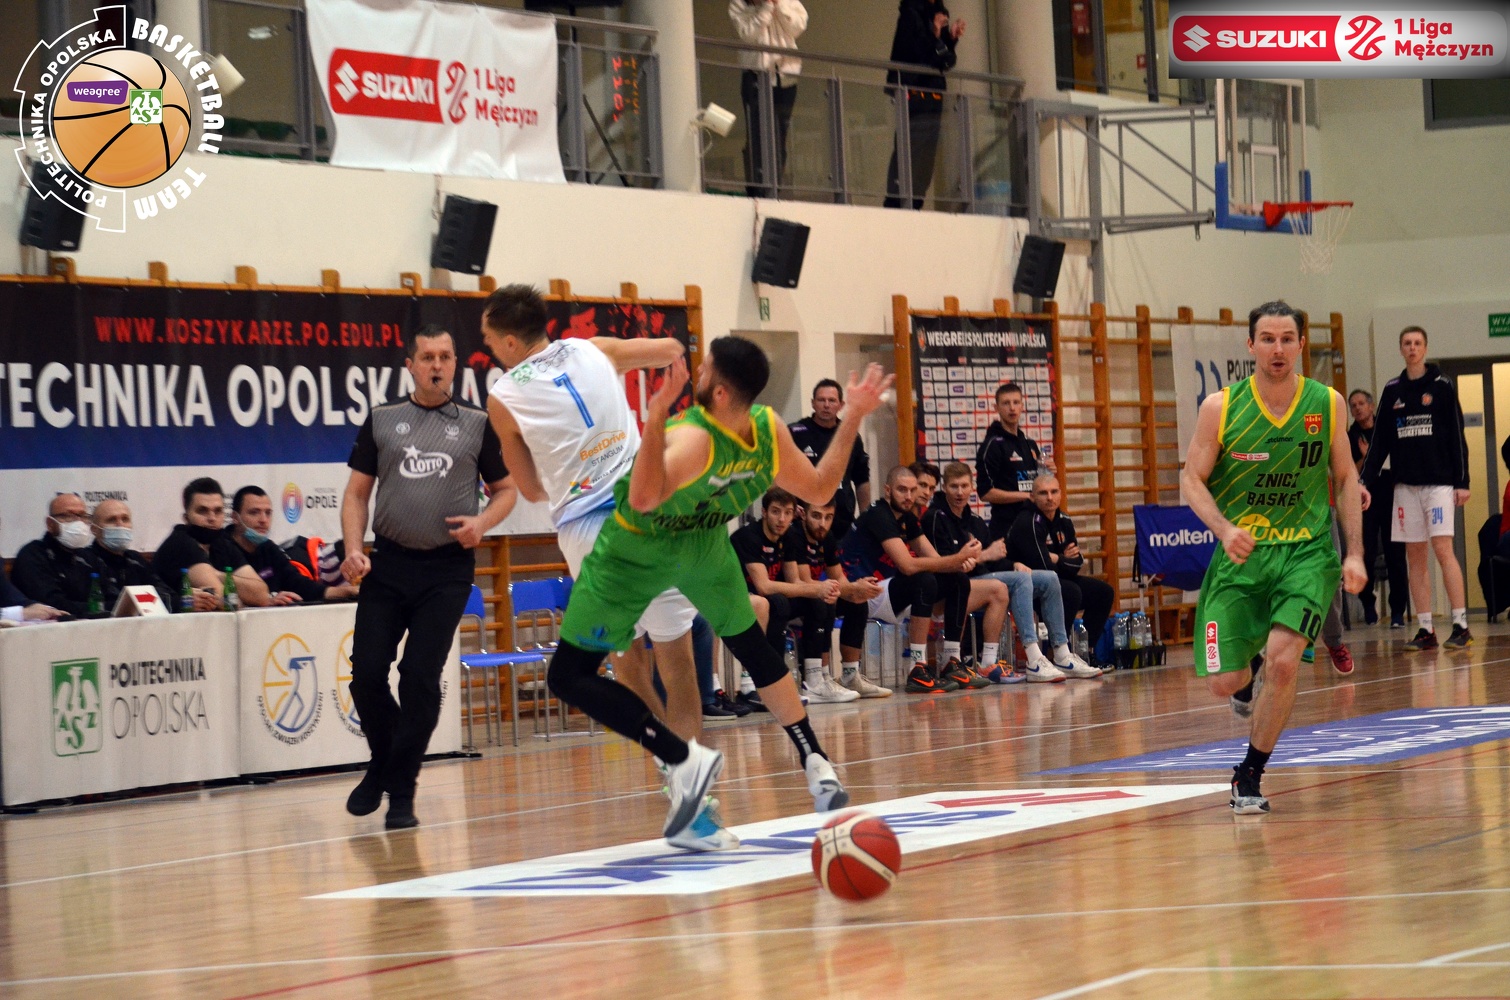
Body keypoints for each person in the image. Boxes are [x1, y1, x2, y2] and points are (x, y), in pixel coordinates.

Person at [545, 336, 892, 845]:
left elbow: (641, 499)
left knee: (570, 674)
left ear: (721, 391)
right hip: (705, 546)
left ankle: (681, 759)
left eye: (705, 368)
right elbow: (821, 489)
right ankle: (815, 759)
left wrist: (657, 413)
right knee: (748, 645)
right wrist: (854, 414)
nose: (698, 373)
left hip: (637, 550)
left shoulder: (692, 437)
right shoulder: (768, 427)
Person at [480, 284, 712, 800]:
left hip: (590, 531)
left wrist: (567, 469)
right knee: (677, 660)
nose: (489, 348)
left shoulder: (503, 397)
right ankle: (693, 787)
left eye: (490, 339)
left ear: (512, 342)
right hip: (651, 511)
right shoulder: (594, 349)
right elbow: (671, 350)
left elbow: (531, 488)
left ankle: (669, 759)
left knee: (626, 658)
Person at [1183, 301, 1366, 815]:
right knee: (1224, 682)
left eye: (1287, 338)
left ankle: (1249, 774)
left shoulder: (1326, 403)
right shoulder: (1220, 408)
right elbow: (1191, 478)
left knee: (1285, 665)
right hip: (1243, 556)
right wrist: (1223, 528)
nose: (1278, 348)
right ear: (1251, 345)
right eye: (1268, 339)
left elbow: (1346, 477)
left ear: (1301, 344)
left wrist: (1354, 552)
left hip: (1306, 553)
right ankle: (1248, 669)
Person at [340, 325, 518, 831]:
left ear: (455, 363)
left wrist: (482, 522)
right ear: (410, 366)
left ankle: (401, 791)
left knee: (419, 677)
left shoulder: (477, 424)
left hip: (446, 570)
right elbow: (356, 494)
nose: (436, 365)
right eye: (427, 357)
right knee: (366, 675)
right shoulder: (382, 419)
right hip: (389, 563)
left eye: (445, 356)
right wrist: (353, 549)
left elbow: (507, 490)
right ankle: (385, 762)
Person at [926, 462, 1098, 680]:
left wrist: (1012, 564)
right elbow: (944, 563)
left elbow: (995, 561)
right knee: (1020, 581)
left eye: (964, 486)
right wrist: (983, 556)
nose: (959, 492)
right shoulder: (935, 517)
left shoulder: (975, 521)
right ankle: (1033, 658)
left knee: (1049, 578)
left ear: (972, 488)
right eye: (953, 487)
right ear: (944, 488)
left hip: (981, 577)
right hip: (953, 586)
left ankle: (1062, 653)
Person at [1358, 326, 1471, 650]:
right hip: (1405, 487)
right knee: (1415, 557)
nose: (1412, 348)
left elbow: (1456, 435)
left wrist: (1462, 482)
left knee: (1443, 550)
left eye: (1417, 343)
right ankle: (1425, 629)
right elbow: (1379, 442)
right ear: (1401, 349)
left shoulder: (1442, 385)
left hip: (1438, 485)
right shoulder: (1392, 390)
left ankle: (1461, 624)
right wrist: (1364, 479)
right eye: (1407, 343)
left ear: (1425, 348)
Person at [841, 464, 978, 693]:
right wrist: (956, 559)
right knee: (923, 580)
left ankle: (952, 660)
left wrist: (960, 562)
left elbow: (936, 561)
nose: (908, 496)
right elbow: (907, 565)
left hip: (885, 590)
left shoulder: (908, 518)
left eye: (912, 490)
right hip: (858, 590)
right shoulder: (879, 514)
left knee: (958, 580)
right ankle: (917, 666)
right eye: (902, 490)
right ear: (887, 490)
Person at [732, 487, 858, 704]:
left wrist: (822, 591)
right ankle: (771, 682)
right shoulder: (749, 536)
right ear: (764, 512)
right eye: (776, 512)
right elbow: (764, 586)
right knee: (779, 602)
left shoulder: (788, 536)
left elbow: (795, 582)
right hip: (742, 597)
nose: (782, 519)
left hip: (769, 599)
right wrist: (816, 588)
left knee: (819, 603)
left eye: (787, 513)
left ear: (794, 514)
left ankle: (815, 680)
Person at [1008, 473, 1115, 660]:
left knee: (1103, 592)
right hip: (1029, 587)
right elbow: (1044, 568)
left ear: (1061, 494)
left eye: (1054, 492)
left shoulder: (1063, 519)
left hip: (1058, 579)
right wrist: (1064, 559)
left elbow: (1077, 562)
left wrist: (1057, 558)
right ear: (1032, 497)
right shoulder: (1028, 521)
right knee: (1070, 592)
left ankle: (1085, 652)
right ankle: (1057, 653)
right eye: (1043, 493)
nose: (1049, 497)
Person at [794, 497, 892, 697]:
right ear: (803, 514)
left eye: (828, 517)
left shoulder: (827, 537)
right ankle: (819, 678)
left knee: (857, 602)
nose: (822, 524)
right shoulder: (795, 535)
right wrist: (849, 588)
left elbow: (838, 577)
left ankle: (850, 675)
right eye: (816, 516)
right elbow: (804, 582)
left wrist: (857, 589)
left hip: (812, 594)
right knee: (824, 601)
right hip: (793, 595)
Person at [883, 0, 963, 209]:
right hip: (913, 92)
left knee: (926, 158)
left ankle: (915, 204)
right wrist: (936, 35)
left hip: (934, 95)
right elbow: (918, 54)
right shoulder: (911, 13)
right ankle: (896, 204)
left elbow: (946, 60)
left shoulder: (937, 13)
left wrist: (950, 38)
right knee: (909, 150)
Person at [152, 477, 269, 611]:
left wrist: (217, 575)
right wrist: (242, 595)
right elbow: (227, 602)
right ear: (186, 518)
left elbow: (262, 596)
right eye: (202, 511)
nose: (212, 518)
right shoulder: (180, 543)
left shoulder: (222, 542)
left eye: (218, 511)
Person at [228, 486, 359, 604]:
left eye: (268, 513)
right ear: (235, 517)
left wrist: (346, 591)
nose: (263, 520)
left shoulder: (268, 547)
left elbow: (300, 584)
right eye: (254, 512)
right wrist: (266, 600)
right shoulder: (223, 547)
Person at [729, 0, 807, 198]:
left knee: (780, 135)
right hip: (755, 76)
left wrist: (778, 6)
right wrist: (766, 9)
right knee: (757, 135)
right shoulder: (739, 4)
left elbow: (798, 27)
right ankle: (757, 190)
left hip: (785, 77)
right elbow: (748, 35)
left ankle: (774, 189)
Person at [1347, 389, 1410, 627]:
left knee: (1396, 555)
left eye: (1361, 403)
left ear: (1372, 406)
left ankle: (1397, 611)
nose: (1357, 408)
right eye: (1353, 405)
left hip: (1392, 495)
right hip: (1366, 500)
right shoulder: (1351, 437)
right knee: (1367, 553)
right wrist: (1366, 457)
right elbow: (1349, 472)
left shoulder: (1386, 429)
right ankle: (1368, 604)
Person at [788, 379, 872, 542]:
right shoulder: (795, 433)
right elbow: (780, 475)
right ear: (813, 403)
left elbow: (862, 480)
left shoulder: (850, 436)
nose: (826, 405)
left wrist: (865, 518)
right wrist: (789, 505)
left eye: (832, 400)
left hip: (842, 522)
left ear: (841, 405)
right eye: (821, 400)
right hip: (803, 523)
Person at [976, 382, 1045, 541]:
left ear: (1022, 406)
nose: (1012, 408)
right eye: (1006, 403)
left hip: (1033, 523)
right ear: (996, 408)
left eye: (1016, 402)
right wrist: (1025, 496)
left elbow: (1037, 481)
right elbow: (985, 493)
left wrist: (1047, 472)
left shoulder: (1030, 443)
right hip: (1006, 527)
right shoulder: (992, 445)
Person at [11, 493, 96, 618]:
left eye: (82, 516)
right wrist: (99, 608)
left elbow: (104, 597)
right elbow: (54, 605)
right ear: (50, 524)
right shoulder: (32, 555)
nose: (78, 522)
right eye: (67, 516)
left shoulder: (87, 557)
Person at [82, 500, 173, 614]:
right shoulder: (85, 560)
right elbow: (89, 605)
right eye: (111, 520)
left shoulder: (135, 560)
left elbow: (166, 593)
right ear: (94, 529)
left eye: (125, 519)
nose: (120, 524)